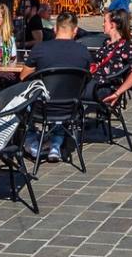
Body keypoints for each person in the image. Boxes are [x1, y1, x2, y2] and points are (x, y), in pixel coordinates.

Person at [21, 13, 93, 160]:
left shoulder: (40, 49)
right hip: (70, 107)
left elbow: (23, 77)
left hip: (41, 107)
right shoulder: (84, 52)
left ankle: (33, 142)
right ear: (75, 30)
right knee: (63, 91)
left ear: (55, 29)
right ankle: (55, 144)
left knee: (22, 100)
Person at [88, 9, 132, 107]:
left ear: (113, 25)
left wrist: (117, 93)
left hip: (105, 87)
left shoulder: (125, 46)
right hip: (94, 82)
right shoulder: (107, 42)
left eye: (105, 21)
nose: (103, 25)